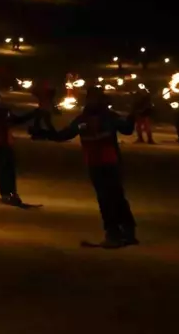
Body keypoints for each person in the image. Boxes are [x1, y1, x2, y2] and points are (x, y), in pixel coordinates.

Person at [32, 86, 138, 248]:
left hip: (110, 162)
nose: (92, 101)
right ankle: (115, 232)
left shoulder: (109, 117)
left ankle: (125, 232)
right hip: (95, 163)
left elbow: (127, 130)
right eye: (90, 98)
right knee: (106, 198)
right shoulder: (83, 119)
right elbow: (64, 135)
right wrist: (43, 134)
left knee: (115, 197)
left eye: (95, 98)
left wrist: (133, 115)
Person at [0, 87, 36, 205]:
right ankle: (5, 193)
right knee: (2, 168)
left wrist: (33, 114)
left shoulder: (3, 109)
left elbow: (15, 120)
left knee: (10, 168)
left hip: (6, 142)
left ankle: (12, 192)